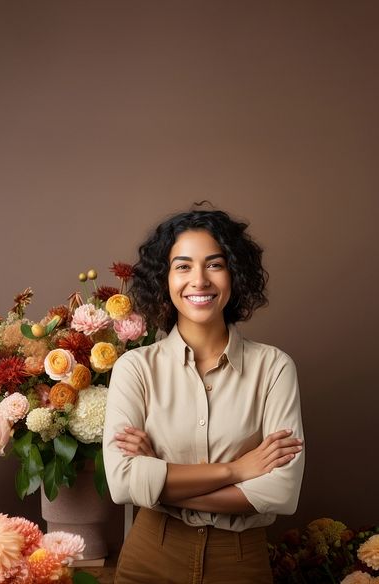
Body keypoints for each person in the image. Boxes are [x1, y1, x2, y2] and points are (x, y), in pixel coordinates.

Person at [103, 206, 305, 583]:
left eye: (214, 264)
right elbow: (122, 483)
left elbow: (280, 491)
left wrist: (158, 482)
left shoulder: (274, 368)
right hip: (150, 557)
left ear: (234, 275)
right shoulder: (135, 368)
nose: (199, 280)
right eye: (182, 266)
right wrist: (236, 470)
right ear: (164, 279)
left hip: (241, 561)